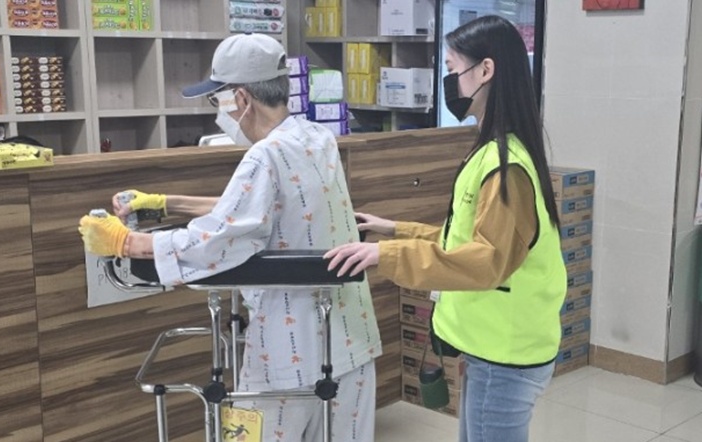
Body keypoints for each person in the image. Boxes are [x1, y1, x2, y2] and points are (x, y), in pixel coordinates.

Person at [79, 33, 382, 442]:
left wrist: (126, 243)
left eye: (216, 99)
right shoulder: (316, 138)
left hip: (291, 351)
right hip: (351, 340)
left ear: (240, 98)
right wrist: (166, 203)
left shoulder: (264, 155)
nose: (217, 111)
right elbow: (263, 208)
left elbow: (220, 239)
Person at [325, 15, 567, 442]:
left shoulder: (505, 167)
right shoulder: (493, 150)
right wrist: (394, 230)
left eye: (454, 69)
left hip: (505, 354)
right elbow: (466, 239)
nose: (450, 82)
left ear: (485, 70)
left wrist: (386, 256)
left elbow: (485, 261)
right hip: (491, 347)